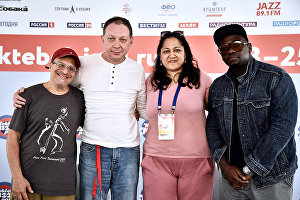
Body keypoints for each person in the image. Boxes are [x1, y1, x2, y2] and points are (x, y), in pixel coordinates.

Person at [13, 16, 147, 200]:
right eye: (111, 38)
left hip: (128, 150)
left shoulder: (138, 70)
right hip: (93, 148)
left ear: (131, 41)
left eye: (123, 39)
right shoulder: (84, 64)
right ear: (102, 39)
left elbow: (144, 108)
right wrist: (25, 95)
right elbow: (59, 84)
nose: (117, 44)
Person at [206, 24, 298, 200]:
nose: (231, 50)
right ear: (220, 53)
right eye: (224, 48)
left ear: (249, 47)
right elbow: (212, 127)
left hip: (271, 179)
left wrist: (250, 168)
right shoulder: (217, 86)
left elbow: (283, 128)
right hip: (231, 180)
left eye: (237, 45)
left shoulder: (276, 78)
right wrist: (224, 166)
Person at [141, 31, 215, 200]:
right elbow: (138, 109)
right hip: (156, 160)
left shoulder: (203, 80)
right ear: (159, 55)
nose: (171, 55)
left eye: (177, 50)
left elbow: (218, 117)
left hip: (197, 160)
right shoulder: (150, 81)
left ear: (186, 53)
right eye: (166, 51)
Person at [7, 48, 85, 200]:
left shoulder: (80, 99)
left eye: (71, 68)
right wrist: (17, 178)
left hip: (62, 188)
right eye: (60, 65)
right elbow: (12, 138)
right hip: (26, 185)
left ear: (75, 73)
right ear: (50, 65)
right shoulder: (27, 96)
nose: (65, 71)